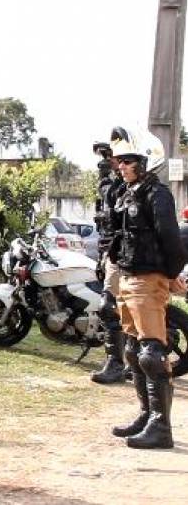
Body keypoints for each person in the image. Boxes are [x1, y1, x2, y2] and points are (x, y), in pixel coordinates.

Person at [108, 127, 187, 449]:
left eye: (128, 161)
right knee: (132, 349)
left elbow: (171, 240)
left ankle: (161, 427)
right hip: (128, 277)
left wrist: (169, 276)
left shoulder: (158, 195)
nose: (121, 166)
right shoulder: (130, 192)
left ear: (146, 161)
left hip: (146, 279)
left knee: (152, 353)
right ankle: (145, 415)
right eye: (120, 161)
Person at [90, 136, 128, 384]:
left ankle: (116, 363)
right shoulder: (116, 182)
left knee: (110, 307)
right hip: (110, 251)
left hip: (122, 253)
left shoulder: (125, 183)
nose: (110, 161)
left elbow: (114, 199)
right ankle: (128, 363)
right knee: (119, 308)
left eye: (112, 157)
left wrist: (105, 177)